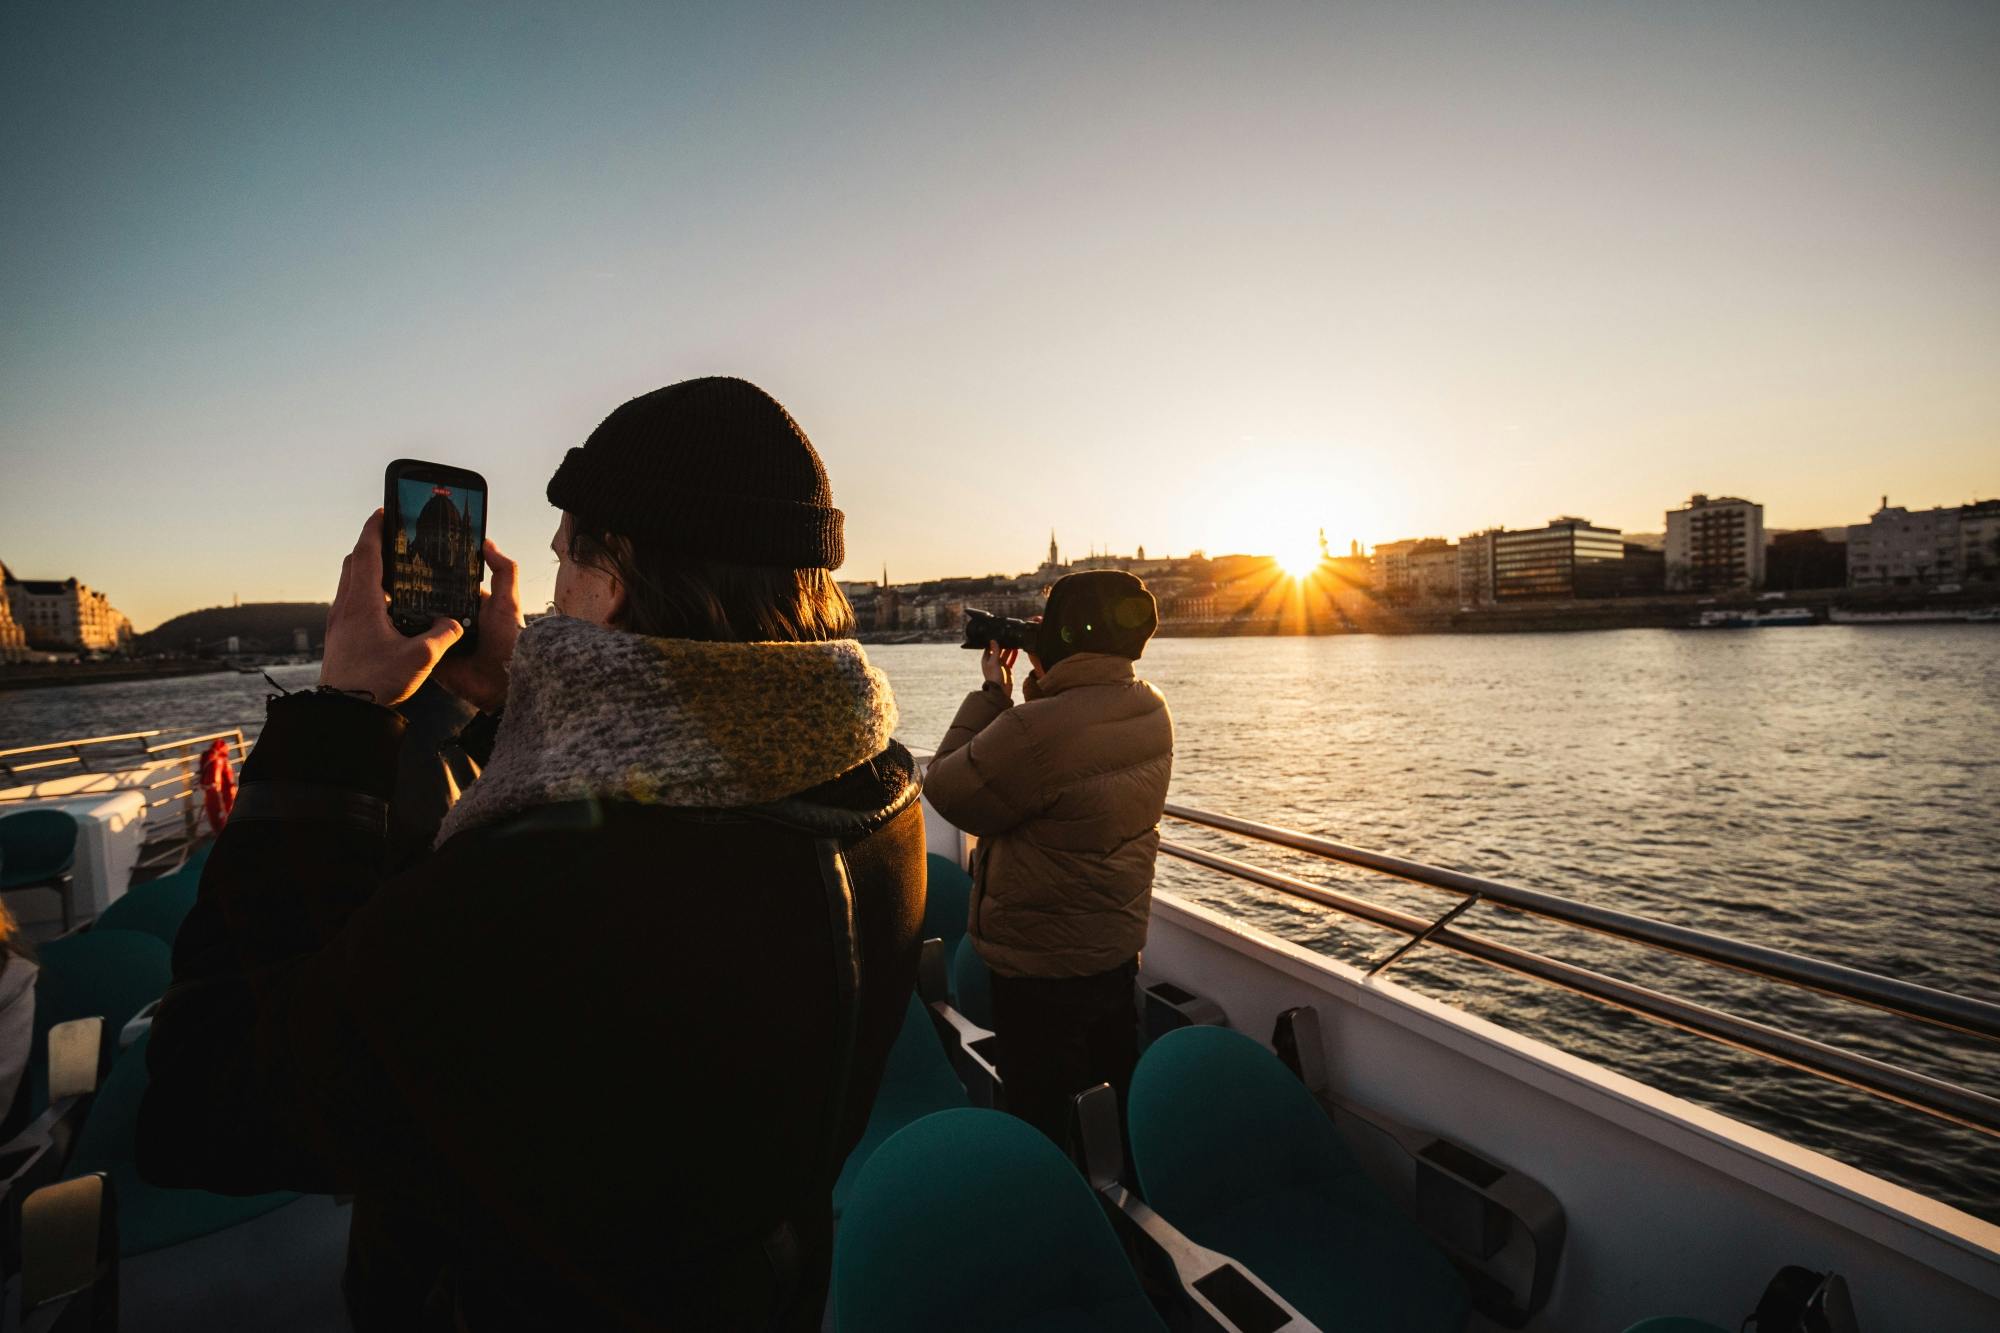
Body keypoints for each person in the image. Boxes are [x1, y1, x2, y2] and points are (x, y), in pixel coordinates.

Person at [137, 377, 925, 1331]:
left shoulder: (538, 891)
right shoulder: (878, 793)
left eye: (564, 562)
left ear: (618, 576)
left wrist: (340, 718)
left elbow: (210, 1092)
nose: (550, 598)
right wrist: (521, 700)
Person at [923, 570, 1173, 1145]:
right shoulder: (1150, 708)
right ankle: (1121, 1213)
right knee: (1111, 1099)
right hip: (1112, 948)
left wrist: (993, 693)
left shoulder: (1032, 730)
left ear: (1064, 632)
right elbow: (1066, 757)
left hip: (1041, 967)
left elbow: (946, 787)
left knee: (1045, 1118)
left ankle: (1054, 1210)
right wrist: (1051, 674)